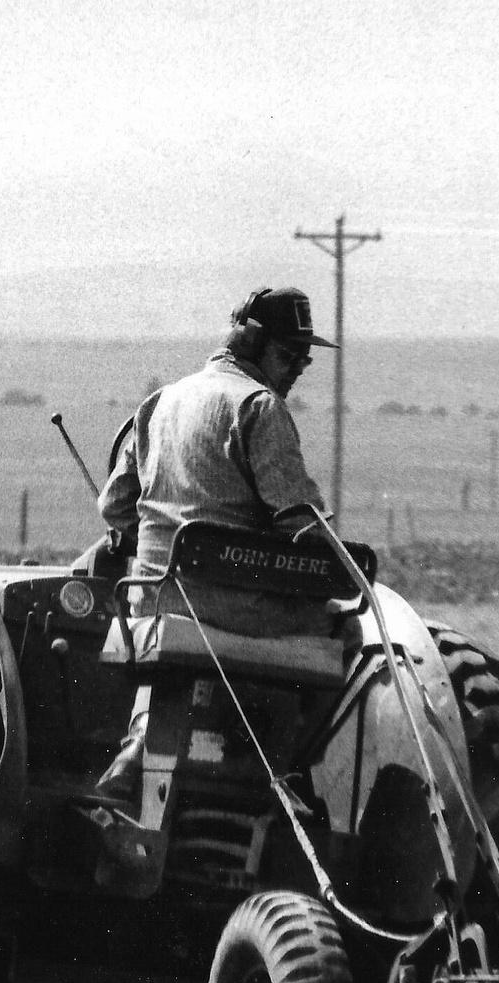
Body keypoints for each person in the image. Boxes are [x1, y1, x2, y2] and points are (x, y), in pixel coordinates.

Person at [92, 285, 338, 797]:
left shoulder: (159, 402)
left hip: (153, 601)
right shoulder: (260, 406)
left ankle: (141, 738)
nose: (296, 369)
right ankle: (285, 767)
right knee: (345, 629)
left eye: (304, 360)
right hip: (234, 610)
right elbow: (301, 522)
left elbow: (114, 508)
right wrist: (332, 557)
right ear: (248, 344)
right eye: (287, 355)